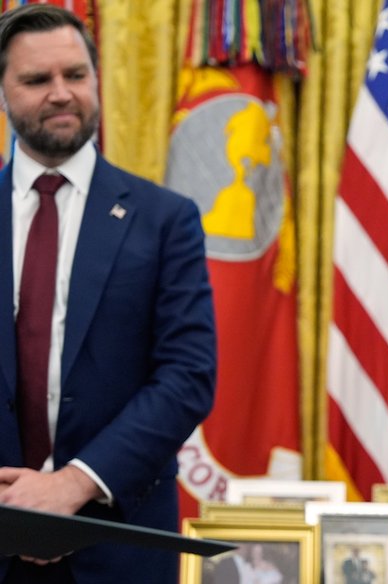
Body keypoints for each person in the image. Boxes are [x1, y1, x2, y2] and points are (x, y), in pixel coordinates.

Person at [0, 4, 216, 584]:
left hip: (118, 544)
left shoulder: (165, 220)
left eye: (75, 74)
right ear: (2, 90)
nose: (61, 93)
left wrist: (70, 485)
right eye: (36, 79)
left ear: (97, 79)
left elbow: (188, 377)